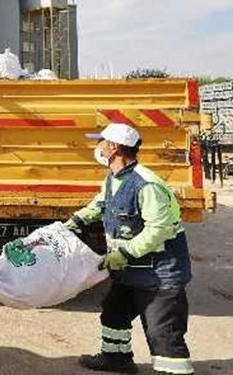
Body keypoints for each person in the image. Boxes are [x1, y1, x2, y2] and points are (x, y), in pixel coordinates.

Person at [65, 123, 193, 375]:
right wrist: (73, 222)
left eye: (100, 142)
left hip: (158, 273)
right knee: (114, 313)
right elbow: (100, 203)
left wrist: (123, 254)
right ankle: (117, 360)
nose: (97, 147)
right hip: (131, 269)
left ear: (113, 148)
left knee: (162, 330)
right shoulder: (114, 177)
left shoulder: (146, 185)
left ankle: (175, 371)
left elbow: (160, 229)